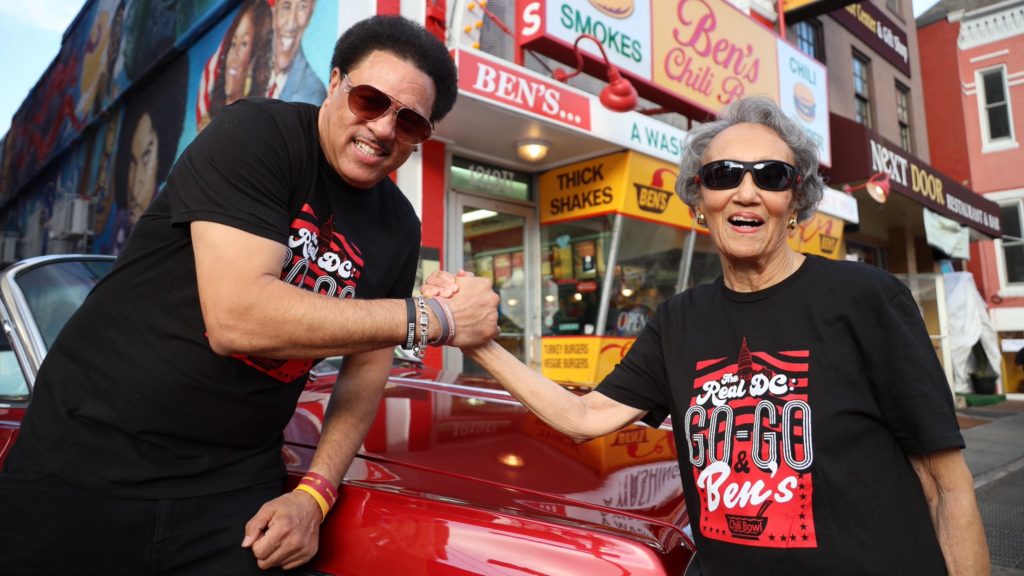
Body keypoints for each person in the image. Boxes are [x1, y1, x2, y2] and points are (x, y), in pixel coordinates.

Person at [0, 15, 499, 575]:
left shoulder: (399, 226)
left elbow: (365, 372)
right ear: (334, 84)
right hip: (83, 467)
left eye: (409, 122)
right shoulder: (259, 135)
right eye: (369, 100)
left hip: (233, 490)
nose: (384, 128)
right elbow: (238, 318)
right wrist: (433, 317)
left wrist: (315, 494)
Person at [426, 96, 990, 575]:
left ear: (796, 200)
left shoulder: (866, 299)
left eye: (771, 176)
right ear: (700, 199)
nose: (747, 193)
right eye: (725, 175)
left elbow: (946, 485)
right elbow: (585, 417)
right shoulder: (678, 321)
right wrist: (477, 342)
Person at [197, 0, 273, 131]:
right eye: (232, 44)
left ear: (254, 59)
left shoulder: (257, 124)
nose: (234, 55)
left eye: (244, 44)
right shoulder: (207, 123)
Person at [266, 0, 326, 105]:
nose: (291, 24)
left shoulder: (312, 91)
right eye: (286, 6)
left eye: (302, 7)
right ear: (274, 12)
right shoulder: (253, 65)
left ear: (310, 16)